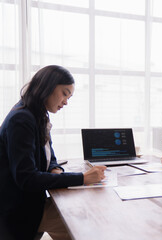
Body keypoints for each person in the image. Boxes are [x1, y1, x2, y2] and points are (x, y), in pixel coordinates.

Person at [0, 65, 106, 240]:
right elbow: (26, 178)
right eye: (64, 93)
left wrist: (54, 169)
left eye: (69, 97)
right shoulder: (22, 119)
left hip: (33, 203)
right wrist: (83, 178)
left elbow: (50, 157)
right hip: (20, 210)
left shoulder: (37, 115)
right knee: (89, 223)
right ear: (47, 86)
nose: (66, 102)